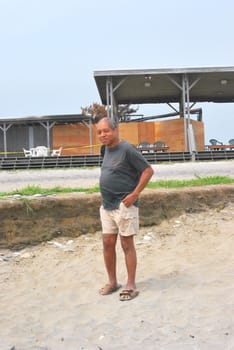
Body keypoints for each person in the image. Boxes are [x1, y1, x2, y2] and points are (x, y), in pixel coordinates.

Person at [96, 117, 154, 301]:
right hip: (107, 204)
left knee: (126, 244)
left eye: (106, 130)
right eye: (99, 132)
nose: (103, 135)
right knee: (107, 243)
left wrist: (135, 193)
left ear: (115, 130)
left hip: (124, 204)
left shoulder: (127, 149)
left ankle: (130, 284)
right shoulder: (104, 149)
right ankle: (113, 282)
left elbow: (147, 171)